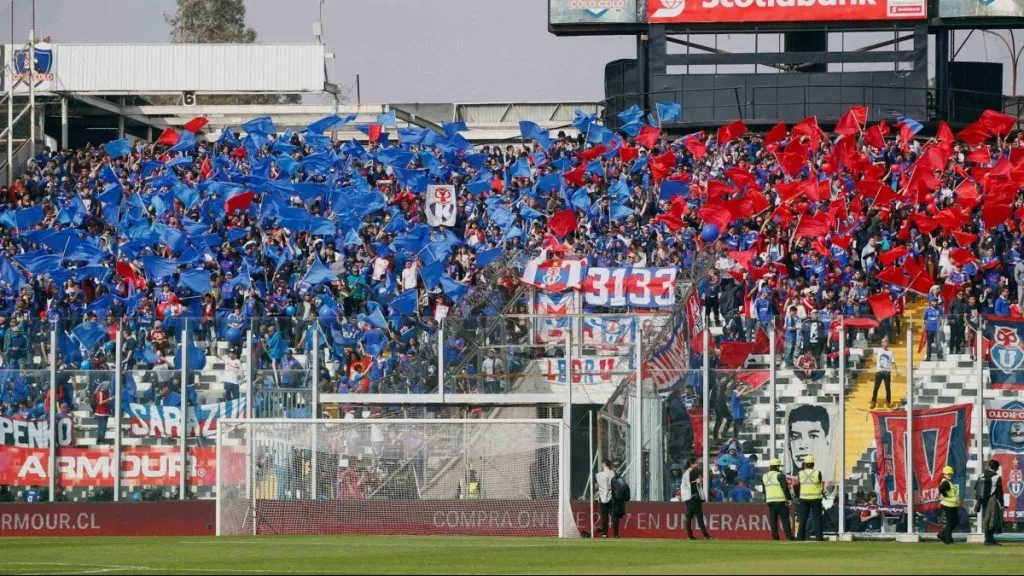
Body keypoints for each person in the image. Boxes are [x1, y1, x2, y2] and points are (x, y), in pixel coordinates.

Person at [761, 457, 795, 541]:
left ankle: (775, 537)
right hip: (780, 500)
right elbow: (785, 488)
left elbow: (764, 490)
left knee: (773, 520)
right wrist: (789, 499)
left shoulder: (764, 476)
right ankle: (789, 536)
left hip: (770, 501)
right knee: (785, 519)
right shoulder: (780, 475)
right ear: (777, 466)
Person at [682, 456, 713, 540]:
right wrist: (701, 478)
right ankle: (706, 536)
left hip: (687, 497)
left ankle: (689, 535)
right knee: (699, 517)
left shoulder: (686, 472)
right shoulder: (694, 471)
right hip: (694, 497)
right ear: (692, 464)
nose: (698, 464)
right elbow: (699, 481)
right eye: (697, 463)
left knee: (689, 517)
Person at [975, 459, 1005, 546]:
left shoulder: (981, 475)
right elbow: (999, 492)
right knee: (992, 519)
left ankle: (989, 539)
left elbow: (976, 487)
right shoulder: (996, 477)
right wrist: (1002, 504)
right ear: (997, 468)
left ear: (989, 466)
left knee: (986, 518)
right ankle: (988, 540)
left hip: (983, 500)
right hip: (992, 499)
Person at [796, 455, 824, 541]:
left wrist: (798, 495)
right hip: (816, 497)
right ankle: (818, 537)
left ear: (805, 464)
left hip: (804, 498)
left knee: (803, 518)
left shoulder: (800, 473)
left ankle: (800, 537)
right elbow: (820, 483)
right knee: (816, 518)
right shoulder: (818, 473)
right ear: (813, 464)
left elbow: (797, 485)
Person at [936, 465, 961, 544]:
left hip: (951, 505)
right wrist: (944, 495)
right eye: (948, 474)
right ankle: (948, 539)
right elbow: (941, 489)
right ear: (944, 474)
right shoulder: (946, 482)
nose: (950, 475)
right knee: (951, 522)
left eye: (950, 474)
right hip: (948, 505)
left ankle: (942, 535)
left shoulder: (947, 482)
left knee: (954, 521)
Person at [870, 338, 898, 410]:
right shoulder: (878, 350)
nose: (885, 343)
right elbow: (869, 349)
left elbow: (893, 362)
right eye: (884, 342)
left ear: (888, 343)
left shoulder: (890, 352)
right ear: (882, 343)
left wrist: (895, 370)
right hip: (879, 372)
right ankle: (873, 401)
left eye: (886, 341)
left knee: (888, 388)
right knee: (876, 387)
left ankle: (888, 402)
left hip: (887, 372)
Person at [595, 458, 616, 539]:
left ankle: (604, 533)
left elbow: (596, 486)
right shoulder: (613, 474)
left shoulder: (599, 475)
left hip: (603, 497)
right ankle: (615, 533)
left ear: (604, 464)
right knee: (613, 515)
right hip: (612, 497)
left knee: (604, 516)